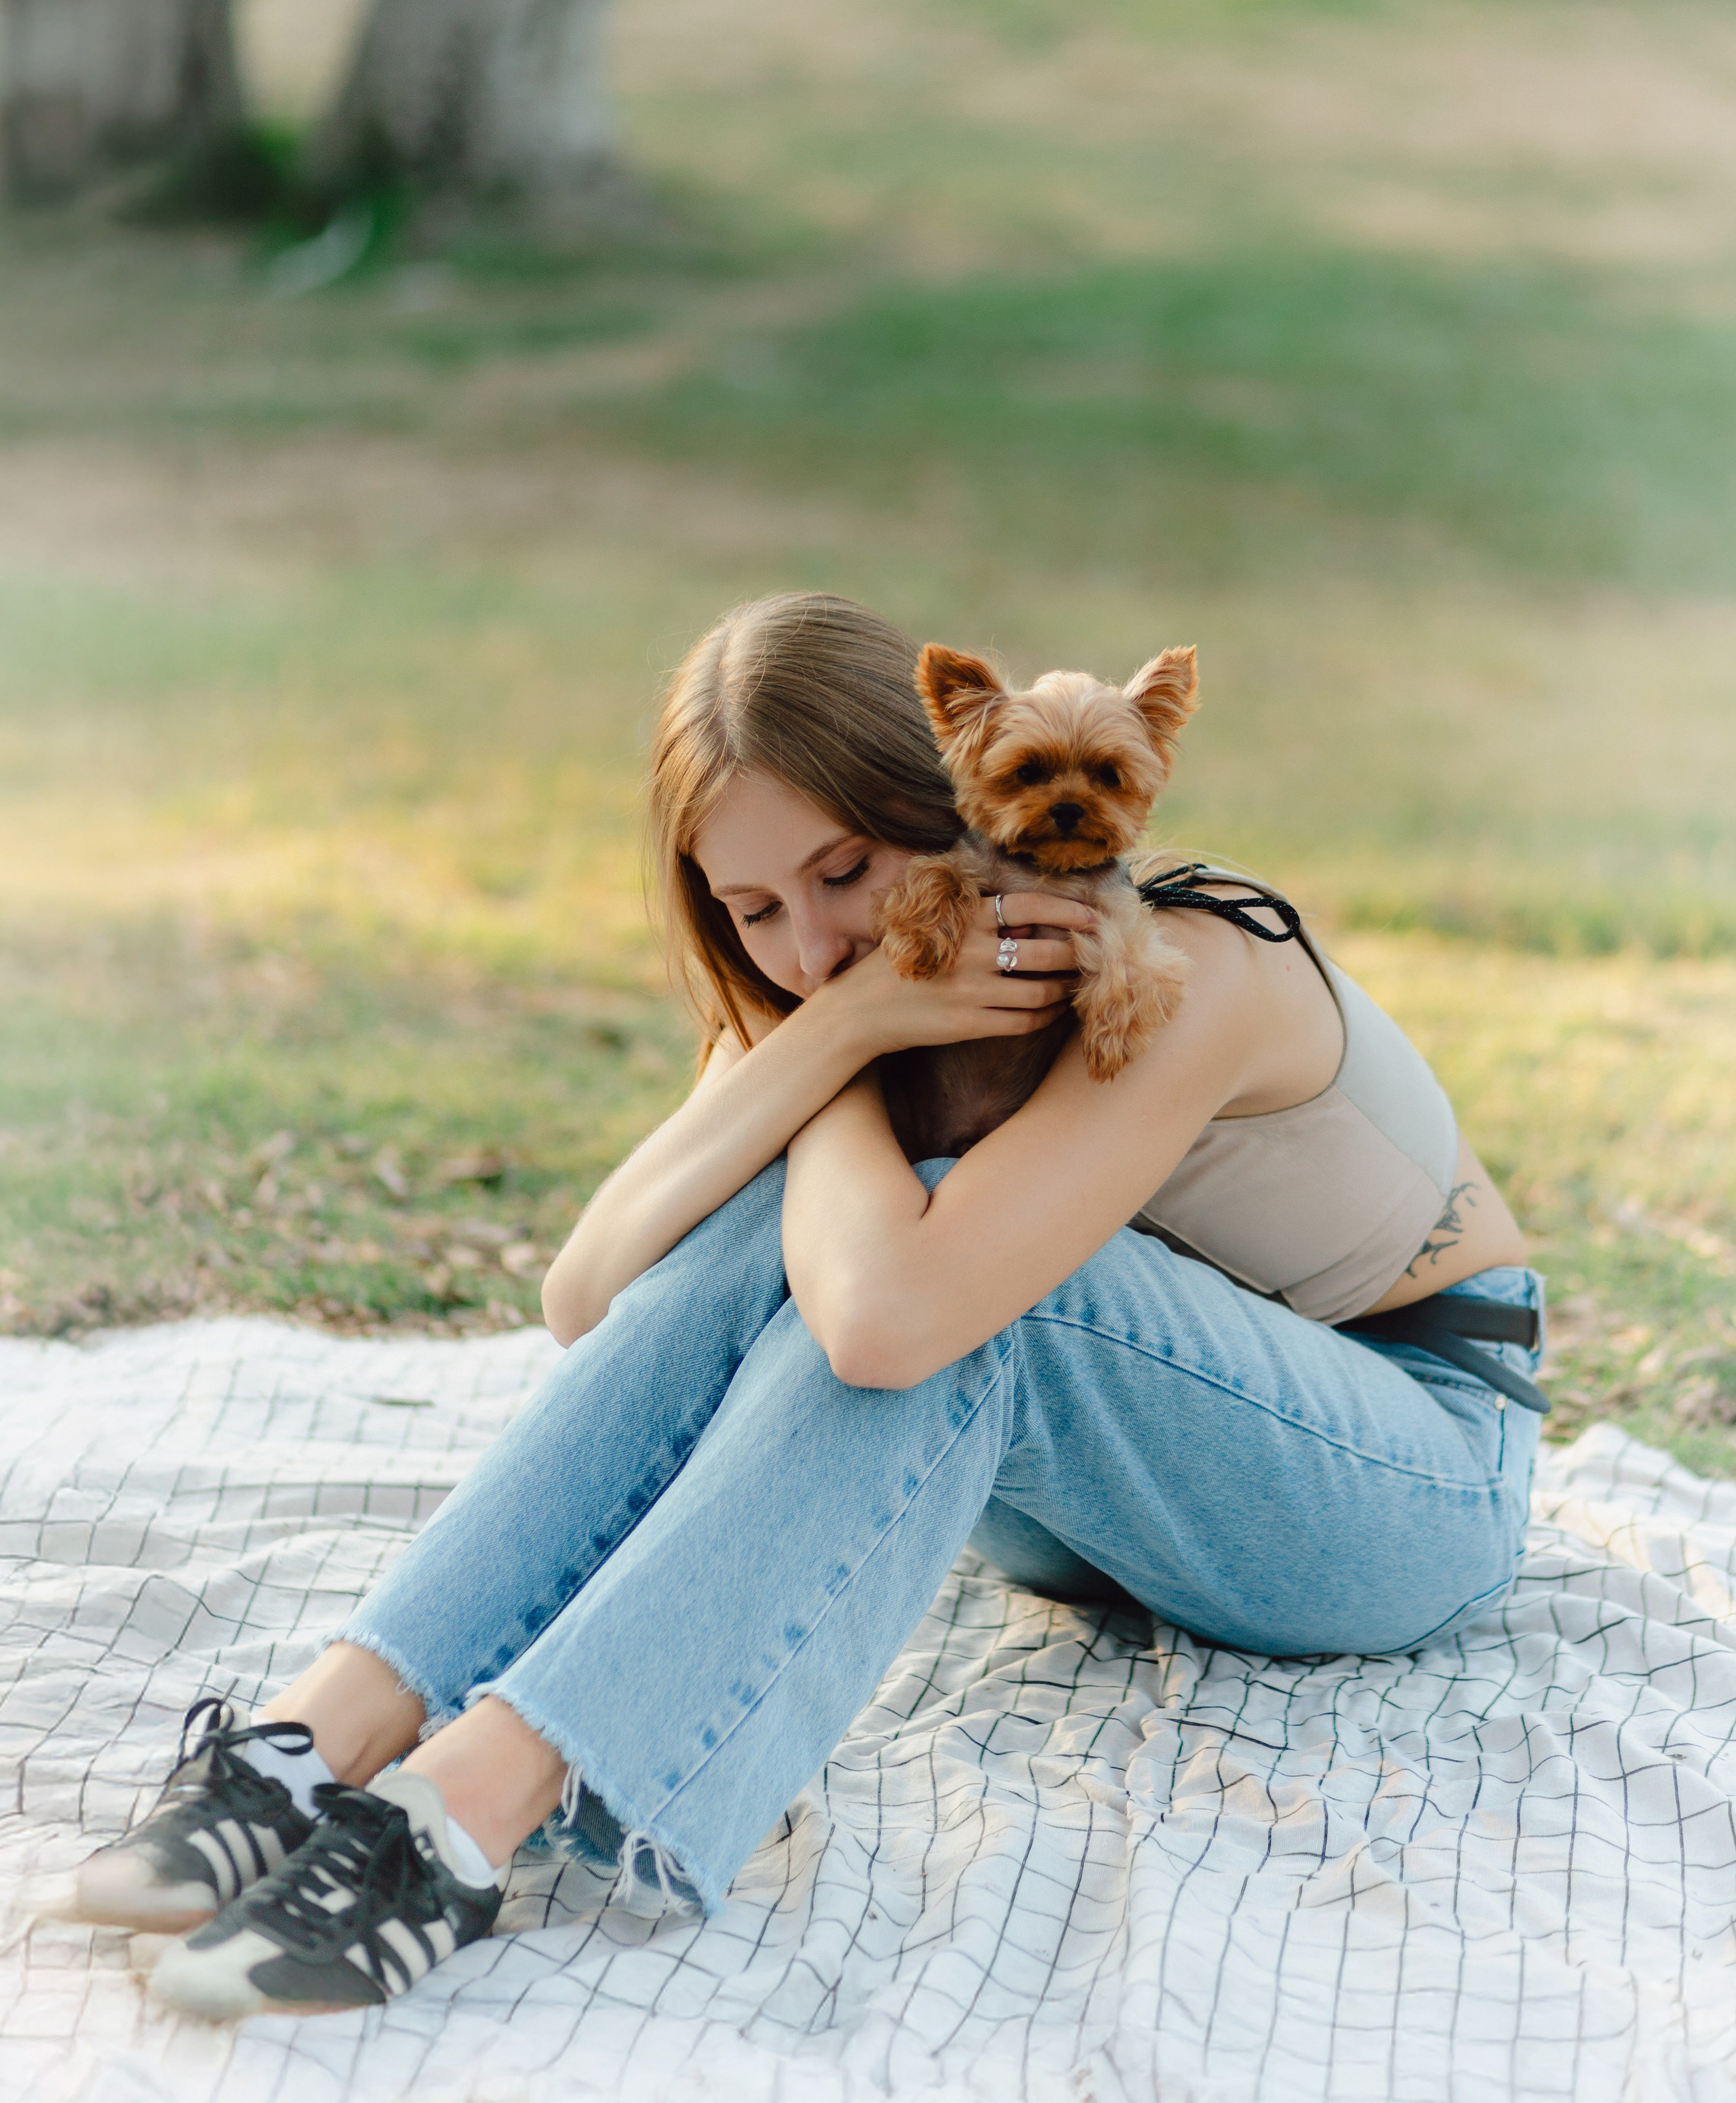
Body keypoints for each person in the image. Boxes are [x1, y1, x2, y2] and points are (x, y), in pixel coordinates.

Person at [66, 593, 1543, 2021]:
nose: (810, 946)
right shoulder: (842, 987)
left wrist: (831, 1063)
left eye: (845, 872)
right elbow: (590, 1293)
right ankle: (317, 1734)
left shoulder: (1172, 964)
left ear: (943, 796)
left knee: (951, 1289)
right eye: (753, 907)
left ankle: (460, 1816)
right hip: (1113, 1512)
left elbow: (895, 1325)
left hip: (1395, 1479)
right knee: (810, 1234)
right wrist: (839, 1036)